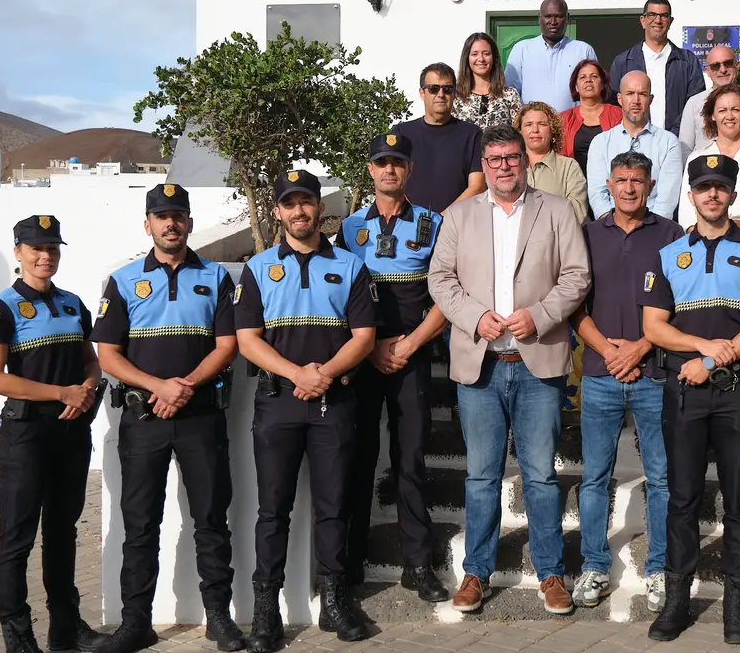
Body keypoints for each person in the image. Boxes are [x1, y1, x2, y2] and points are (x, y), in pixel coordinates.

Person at [428, 124, 591, 616]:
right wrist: (475, 317)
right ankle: (477, 572)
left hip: (537, 360)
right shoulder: (458, 216)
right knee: (480, 476)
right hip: (481, 365)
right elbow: (440, 278)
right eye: (495, 158)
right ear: (485, 164)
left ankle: (550, 573)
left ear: (526, 160)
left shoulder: (557, 210)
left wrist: (538, 315)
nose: (504, 165)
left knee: (541, 475)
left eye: (512, 157)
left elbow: (577, 275)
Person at [89, 184, 244, 653]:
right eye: (162, 216)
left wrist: (186, 386)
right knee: (140, 524)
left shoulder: (217, 276)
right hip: (144, 421)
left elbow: (228, 345)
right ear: (148, 224)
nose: (170, 223)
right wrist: (159, 387)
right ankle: (136, 623)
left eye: (178, 215)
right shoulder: (123, 280)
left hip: (200, 418)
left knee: (212, 519)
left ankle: (218, 617)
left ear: (190, 223)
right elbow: (107, 354)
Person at [233, 170, 379, 649]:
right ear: (277, 211)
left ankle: (335, 602)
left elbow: (364, 336)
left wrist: (325, 375)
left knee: (333, 507)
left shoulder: (352, 267)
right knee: (272, 511)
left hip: (333, 403)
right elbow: (247, 340)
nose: (300, 211)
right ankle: (265, 612)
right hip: (278, 403)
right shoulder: (257, 269)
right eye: (290, 203)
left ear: (321, 208)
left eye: (307, 202)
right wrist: (299, 375)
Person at [639, 154, 740, 645]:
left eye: (720, 187)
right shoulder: (671, 254)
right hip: (684, 391)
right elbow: (652, 326)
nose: (712, 195)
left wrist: (717, 361)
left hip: (738, 392)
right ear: (691, 195)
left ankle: (735, 611)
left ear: (733, 195)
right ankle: (678, 602)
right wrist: (700, 349)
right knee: (682, 499)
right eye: (703, 187)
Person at [0, 215, 107, 653]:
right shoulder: (3, 307)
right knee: (16, 538)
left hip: (70, 434)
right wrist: (60, 391)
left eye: (52, 247)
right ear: (18, 252)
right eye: (35, 248)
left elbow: (91, 362)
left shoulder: (72, 303)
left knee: (62, 531)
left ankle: (65, 630)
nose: (45, 256)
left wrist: (86, 389)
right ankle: (18, 638)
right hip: (25, 436)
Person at [338, 134, 450, 603]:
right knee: (357, 459)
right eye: (381, 163)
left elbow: (446, 293)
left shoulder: (433, 222)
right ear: (370, 170)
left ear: (409, 170)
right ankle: (346, 564)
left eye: (397, 163)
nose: (389, 171)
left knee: (410, 461)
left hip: (412, 356)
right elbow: (339, 297)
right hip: (362, 358)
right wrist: (372, 346)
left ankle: (418, 565)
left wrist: (406, 345)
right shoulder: (347, 229)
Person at [569, 151, 682, 611]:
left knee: (661, 477)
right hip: (599, 373)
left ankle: (658, 569)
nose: (630, 188)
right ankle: (595, 566)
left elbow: (681, 301)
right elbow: (573, 303)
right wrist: (609, 350)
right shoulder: (587, 234)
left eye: (638, 180)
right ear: (609, 185)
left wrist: (640, 348)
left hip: (654, 373)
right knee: (594, 477)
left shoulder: (672, 234)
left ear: (651, 185)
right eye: (621, 180)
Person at [680, 84, 740, 239]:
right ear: (713, 115)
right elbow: (687, 214)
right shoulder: (696, 158)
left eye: (736, 109)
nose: (729, 116)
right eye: (722, 110)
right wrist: (705, 248)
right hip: (705, 243)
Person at [587, 71, 683, 219]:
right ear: (620, 98)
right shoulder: (600, 142)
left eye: (642, 94)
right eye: (630, 93)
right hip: (611, 229)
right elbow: (598, 196)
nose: (636, 100)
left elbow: (667, 200)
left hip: (655, 229)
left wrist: (650, 230)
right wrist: (613, 228)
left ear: (650, 99)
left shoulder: (668, 142)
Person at [392, 63, 485, 213]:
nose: (441, 94)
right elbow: (392, 180)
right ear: (422, 93)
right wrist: (416, 218)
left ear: (455, 93)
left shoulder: (472, 134)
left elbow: (477, 186)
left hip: (458, 226)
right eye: (433, 89)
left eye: (447, 89)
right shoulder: (401, 133)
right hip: (409, 223)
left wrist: (442, 219)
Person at [608, 0, 706, 136]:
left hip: (677, 142)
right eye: (652, 15)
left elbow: (695, 104)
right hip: (633, 142)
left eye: (663, 16)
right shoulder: (623, 62)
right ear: (643, 20)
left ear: (670, 21)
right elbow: (614, 106)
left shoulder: (688, 61)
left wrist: (671, 137)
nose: (658, 20)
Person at [505, 0, 597, 114]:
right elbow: (510, 94)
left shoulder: (583, 51)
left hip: (573, 127)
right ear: (539, 18)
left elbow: (595, 93)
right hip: (533, 128)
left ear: (567, 18)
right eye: (548, 16)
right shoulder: (522, 50)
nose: (553, 22)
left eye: (558, 16)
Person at [679, 45, 740, 153]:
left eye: (728, 63)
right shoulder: (694, 103)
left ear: (737, 65)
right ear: (708, 71)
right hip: (703, 168)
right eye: (715, 66)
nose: (722, 70)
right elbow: (685, 149)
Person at [515, 101, 589, 223]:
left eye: (542, 124)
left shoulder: (569, 167)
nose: (535, 130)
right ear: (520, 131)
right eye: (528, 124)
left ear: (552, 130)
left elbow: (578, 212)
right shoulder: (511, 166)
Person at [559, 59, 623, 175]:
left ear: (603, 84)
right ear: (576, 87)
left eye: (594, 76)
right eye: (582, 77)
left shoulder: (618, 115)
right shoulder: (564, 119)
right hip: (573, 184)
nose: (588, 80)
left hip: (611, 182)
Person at [453, 31, 522, 129]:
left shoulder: (509, 95)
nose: (481, 59)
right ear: (467, 58)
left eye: (486, 53)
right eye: (474, 54)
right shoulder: (456, 95)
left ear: (494, 58)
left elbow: (518, 132)